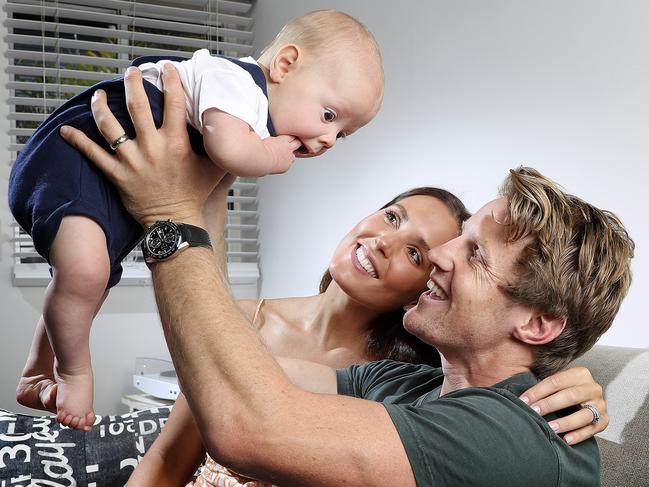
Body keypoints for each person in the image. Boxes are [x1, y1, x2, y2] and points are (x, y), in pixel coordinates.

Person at [59, 66, 633, 485]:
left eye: (476, 255)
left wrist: (168, 216)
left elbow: (247, 425)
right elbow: (237, 377)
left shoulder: (510, 437)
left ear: (537, 324)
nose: (438, 256)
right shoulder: (408, 388)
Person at [9, 10, 384, 430]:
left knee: (87, 284)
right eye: (330, 116)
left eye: (343, 134)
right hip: (75, 156)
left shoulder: (249, 111)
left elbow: (206, 191)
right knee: (85, 273)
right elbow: (227, 149)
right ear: (285, 64)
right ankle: (74, 373)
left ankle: (36, 369)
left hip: (111, 180)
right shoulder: (238, 84)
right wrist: (271, 157)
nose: (329, 140)